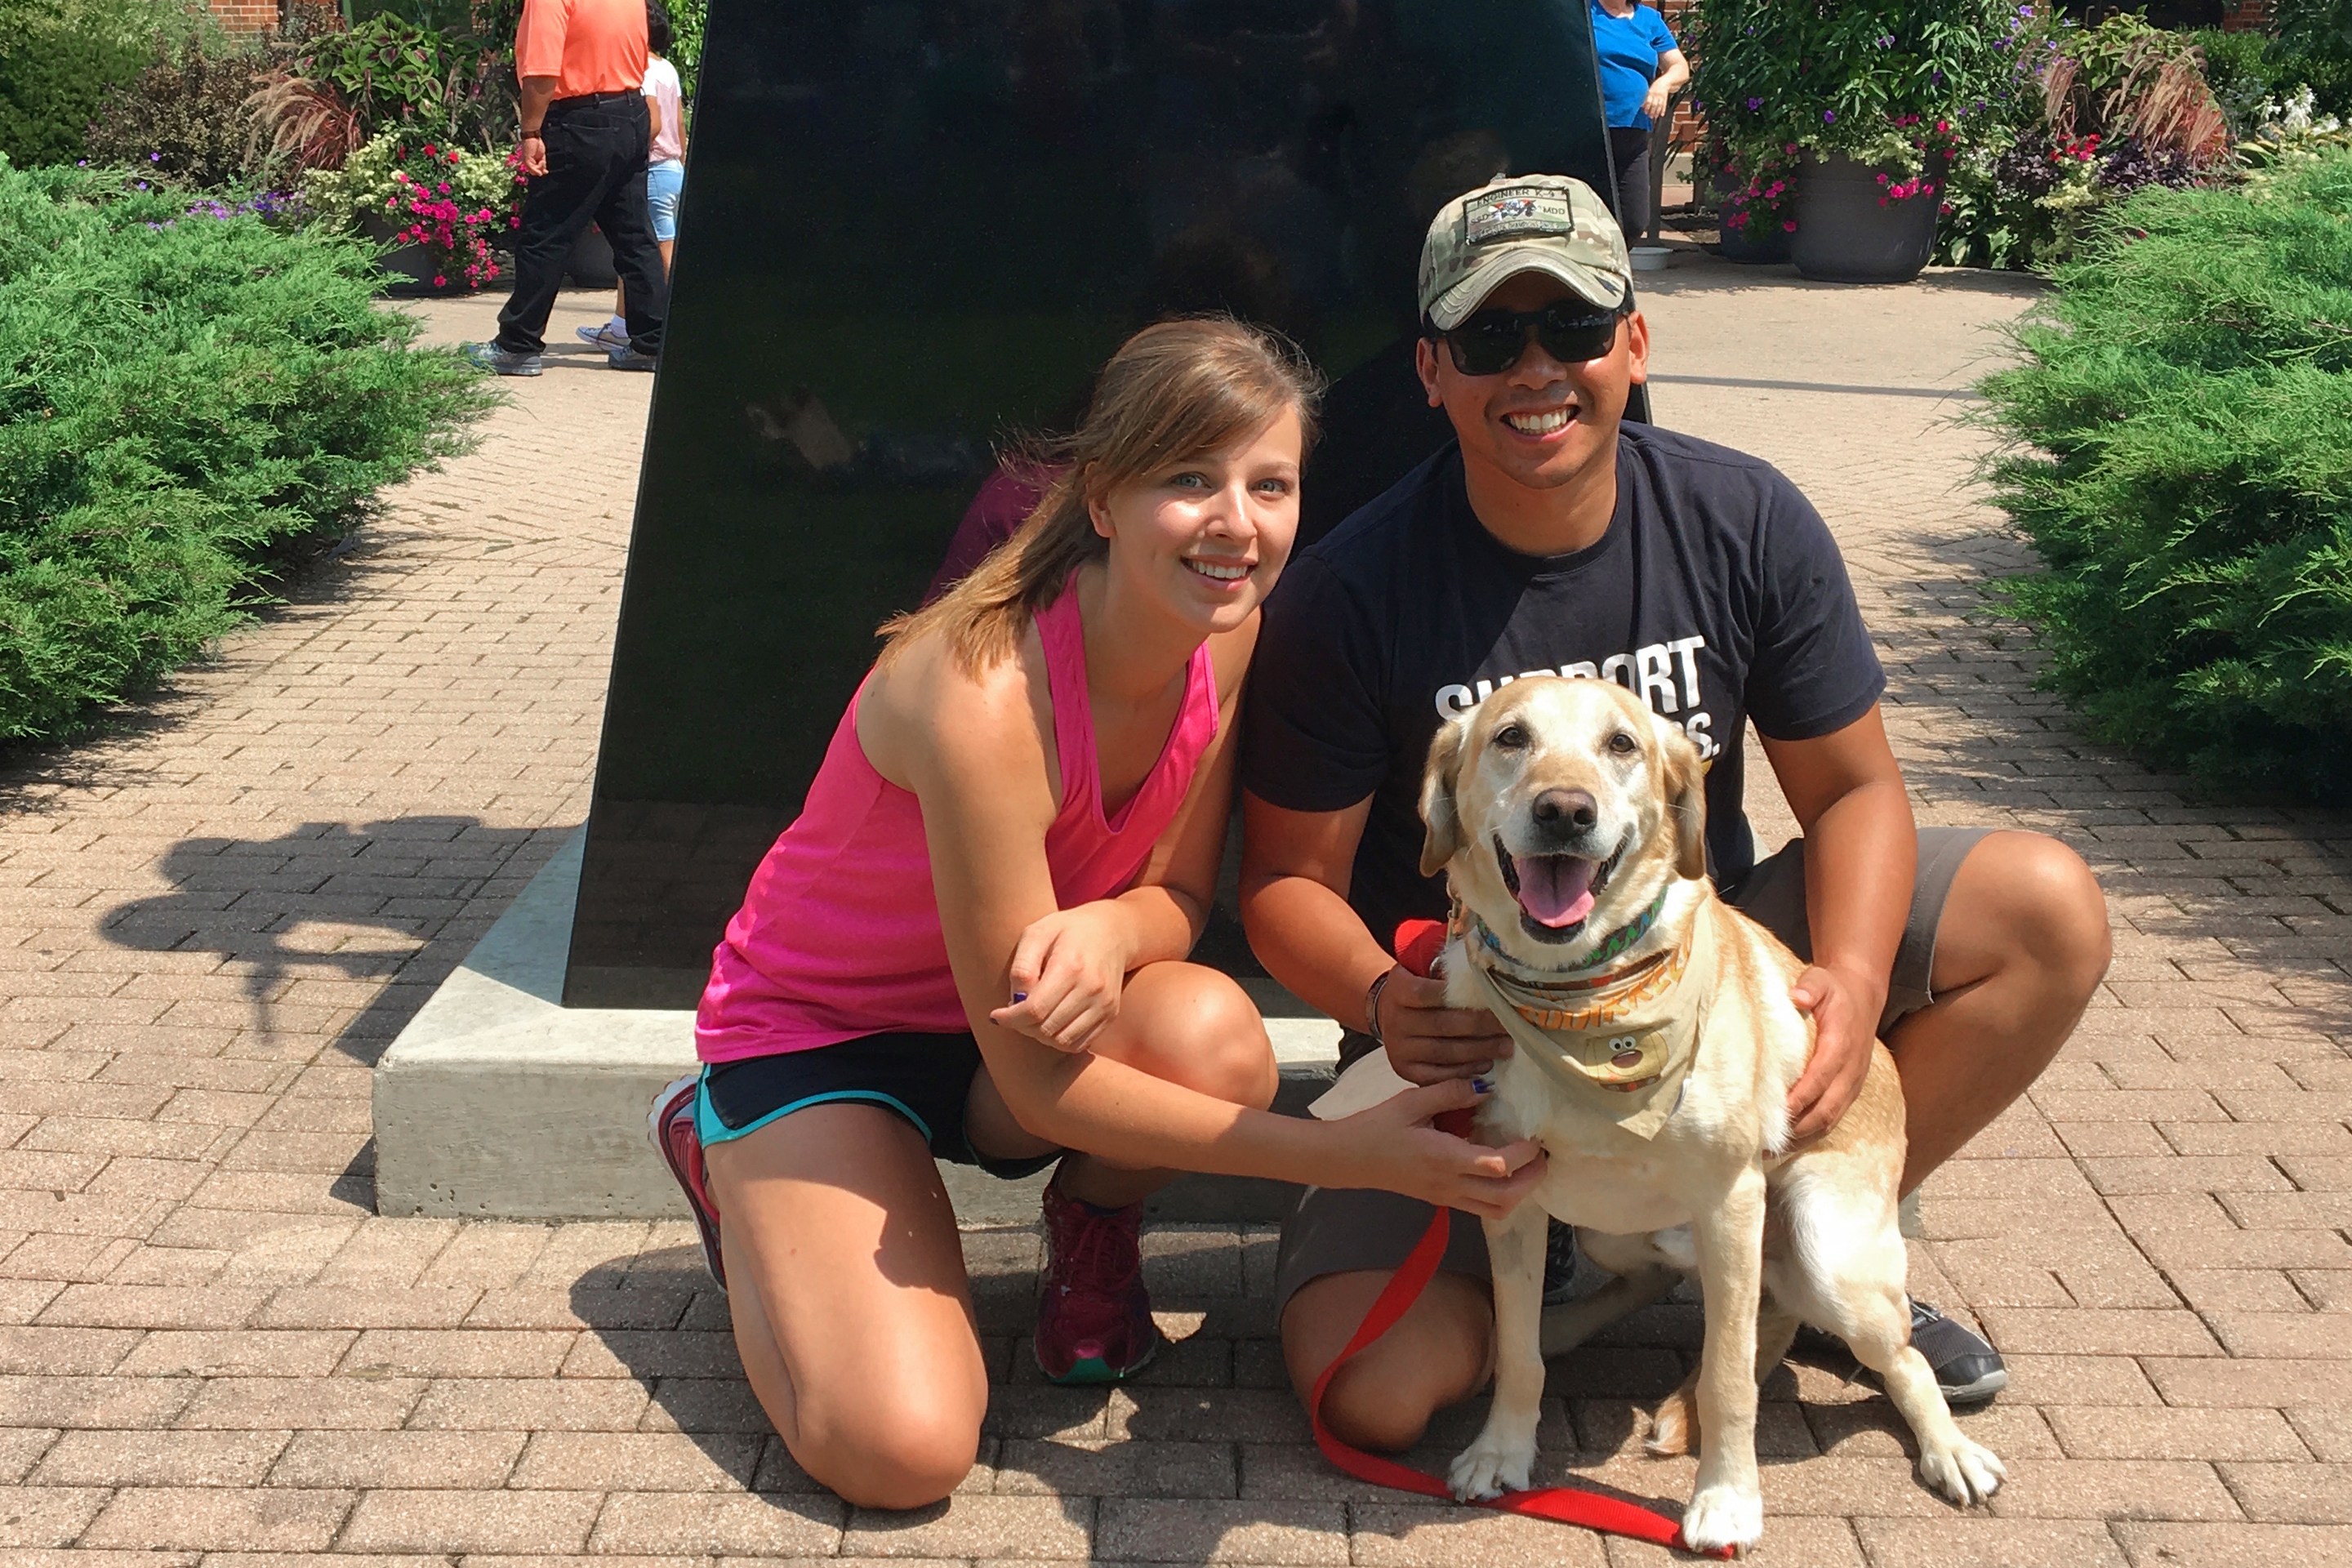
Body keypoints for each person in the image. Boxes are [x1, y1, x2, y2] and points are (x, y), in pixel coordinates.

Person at [1238, 175, 2112, 1452]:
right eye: (1490, 340)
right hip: (1473, 1019)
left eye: (1576, 329)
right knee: (1379, 1394)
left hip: (1703, 958)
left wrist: (1854, 987)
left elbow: (1858, 788)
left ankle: (1815, 1260)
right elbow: (1282, 887)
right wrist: (1387, 1003)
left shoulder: (1742, 517)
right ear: (1433, 371)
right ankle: (1587, 1252)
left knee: (2044, 908)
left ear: (1634, 343)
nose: (1537, 369)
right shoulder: (1350, 591)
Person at [646, 318, 1548, 1511]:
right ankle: (727, 1154)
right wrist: (1341, 1155)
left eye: (1269, 484)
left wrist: (1115, 931)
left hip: (1009, 1028)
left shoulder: (1225, 640)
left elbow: (1177, 896)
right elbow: (1041, 1094)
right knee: (902, 1455)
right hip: (826, 1040)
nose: (1237, 522)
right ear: (1104, 498)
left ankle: (1091, 1230)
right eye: (1190, 479)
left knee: (1210, 1035)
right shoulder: (977, 695)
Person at [465, 0, 667, 376]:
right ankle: (652, 343)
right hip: (630, 112)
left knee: (545, 235)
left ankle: (517, 344)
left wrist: (530, 131)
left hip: (579, 120)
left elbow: (542, 72)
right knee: (634, 236)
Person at [581, 0, 684, 353]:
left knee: (648, 252)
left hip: (653, 166)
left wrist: (632, 150)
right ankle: (624, 325)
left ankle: (658, 324)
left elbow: (652, 123)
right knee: (639, 249)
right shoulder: (667, 67)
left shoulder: (640, 71)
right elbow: (679, 123)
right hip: (673, 167)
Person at [1589, 0, 1688, 245]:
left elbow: (1680, 67)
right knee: (1590, 213)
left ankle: (1612, 271)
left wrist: (1662, 85)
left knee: (1634, 221)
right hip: (1589, 134)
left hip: (1634, 135)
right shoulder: (1585, 13)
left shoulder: (1649, 20)